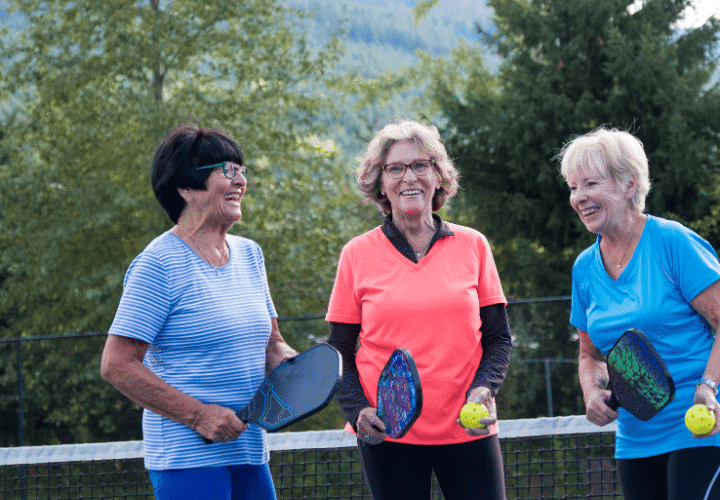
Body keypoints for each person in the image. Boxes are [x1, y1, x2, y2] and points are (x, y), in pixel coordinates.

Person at [100, 122, 298, 500]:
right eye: (226, 170)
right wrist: (198, 415)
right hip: (186, 459)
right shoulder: (157, 265)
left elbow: (272, 342)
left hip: (250, 450)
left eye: (242, 170)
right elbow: (117, 364)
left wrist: (292, 363)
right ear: (186, 188)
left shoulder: (250, 255)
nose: (240, 180)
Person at [325, 119, 512, 500]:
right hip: (388, 432)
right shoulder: (356, 255)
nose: (408, 177)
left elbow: (498, 339)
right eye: (395, 168)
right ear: (380, 182)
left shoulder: (474, 246)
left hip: (468, 429)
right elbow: (337, 354)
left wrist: (483, 388)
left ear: (438, 176)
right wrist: (359, 412)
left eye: (420, 165)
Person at [558, 126, 720, 500]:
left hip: (703, 426)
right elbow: (590, 355)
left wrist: (707, 387)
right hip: (636, 436)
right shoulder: (584, 269)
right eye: (573, 187)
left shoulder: (673, 242)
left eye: (590, 184)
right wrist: (591, 393)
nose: (579, 198)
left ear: (629, 185)